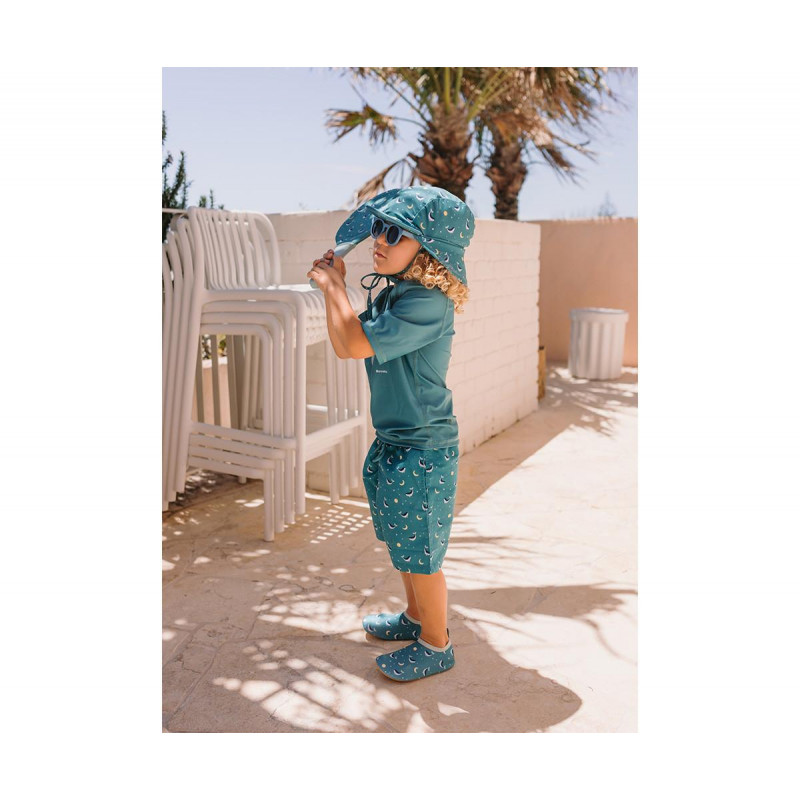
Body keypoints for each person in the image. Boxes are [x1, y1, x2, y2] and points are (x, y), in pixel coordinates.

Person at [307, 185, 474, 682]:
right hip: (396, 439)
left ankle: (437, 644)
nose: (379, 239)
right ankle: (416, 617)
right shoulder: (397, 292)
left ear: (429, 250)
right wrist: (337, 288)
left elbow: (353, 343)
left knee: (422, 555)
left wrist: (335, 289)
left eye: (396, 233)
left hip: (423, 447)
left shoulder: (428, 303)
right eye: (379, 228)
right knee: (404, 542)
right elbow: (347, 341)